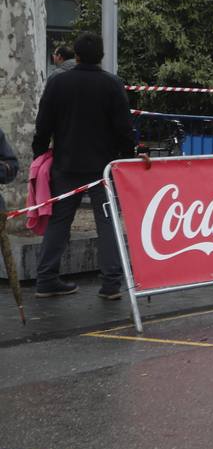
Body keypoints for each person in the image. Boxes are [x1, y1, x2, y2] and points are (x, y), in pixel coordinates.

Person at [31, 33, 136, 300]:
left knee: (59, 221)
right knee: (107, 221)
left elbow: (43, 126)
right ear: (101, 56)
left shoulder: (58, 83)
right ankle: (111, 282)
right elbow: (124, 130)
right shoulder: (112, 85)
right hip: (102, 168)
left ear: (74, 55)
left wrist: (40, 155)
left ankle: (46, 278)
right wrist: (127, 157)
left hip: (65, 164)